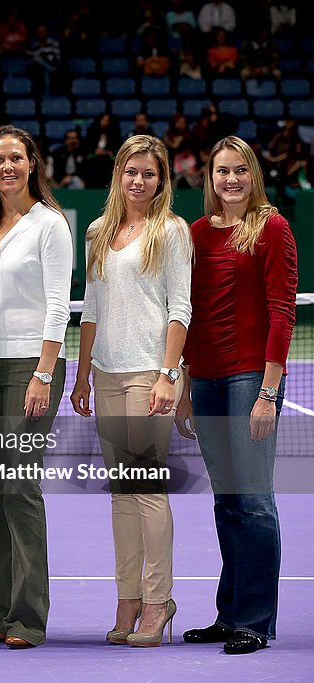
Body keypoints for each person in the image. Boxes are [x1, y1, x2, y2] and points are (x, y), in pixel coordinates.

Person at [69, 135, 193, 647]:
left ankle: (159, 600)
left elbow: (179, 308)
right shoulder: (98, 231)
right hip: (107, 375)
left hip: (150, 375)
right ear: (118, 175)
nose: (139, 180)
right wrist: (81, 374)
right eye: (130, 171)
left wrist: (169, 374)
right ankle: (128, 598)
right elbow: (91, 309)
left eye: (149, 173)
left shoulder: (172, 231)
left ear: (161, 179)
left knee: (146, 492)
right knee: (122, 494)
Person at [176, 136, 297, 655]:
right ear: (210, 178)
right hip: (203, 380)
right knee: (227, 503)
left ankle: (255, 619)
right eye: (221, 171)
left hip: (251, 380)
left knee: (253, 502)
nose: (230, 180)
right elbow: (190, 312)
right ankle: (230, 616)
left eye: (239, 170)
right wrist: (184, 381)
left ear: (254, 175)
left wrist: (268, 391)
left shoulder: (272, 227)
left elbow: (282, 311)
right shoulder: (197, 234)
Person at [0, 125, 73, 648]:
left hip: (33, 367)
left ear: (32, 163)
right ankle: (2, 608)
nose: (7, 167)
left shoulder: (50, 225)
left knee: (21, 489)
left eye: (16, 158)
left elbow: (59, 304)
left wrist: (44, 373)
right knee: (1, 491)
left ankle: (29, 616)